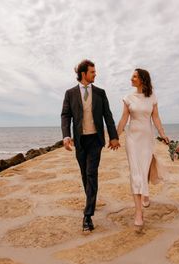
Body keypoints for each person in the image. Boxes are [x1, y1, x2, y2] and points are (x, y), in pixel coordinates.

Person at [61, 59, 120, 232]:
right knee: (84, 175)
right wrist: (66, 136)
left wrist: (114, 137)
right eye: (92, 72)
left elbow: (107, 116)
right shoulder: (70, 93)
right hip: (80, 141)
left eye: (95, 71)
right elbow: (65, 116)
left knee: (91, 173)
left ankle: (87, 216)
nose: (95, 74)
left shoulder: (100, 93)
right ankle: (91, 199)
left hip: (95, 140)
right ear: (83, 74)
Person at [117, 68, 169, 230]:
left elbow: (155, 117)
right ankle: (138, 213)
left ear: (142, 80)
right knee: (135, 172)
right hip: (132, 139)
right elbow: (124, 118)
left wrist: (163, 134)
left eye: (134, 76)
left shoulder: (152, 97)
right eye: (132, 76)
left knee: (144, 169)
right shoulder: (128, 98)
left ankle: (145, 192)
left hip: (147, 139)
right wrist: (114, 136)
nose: (131, 79)